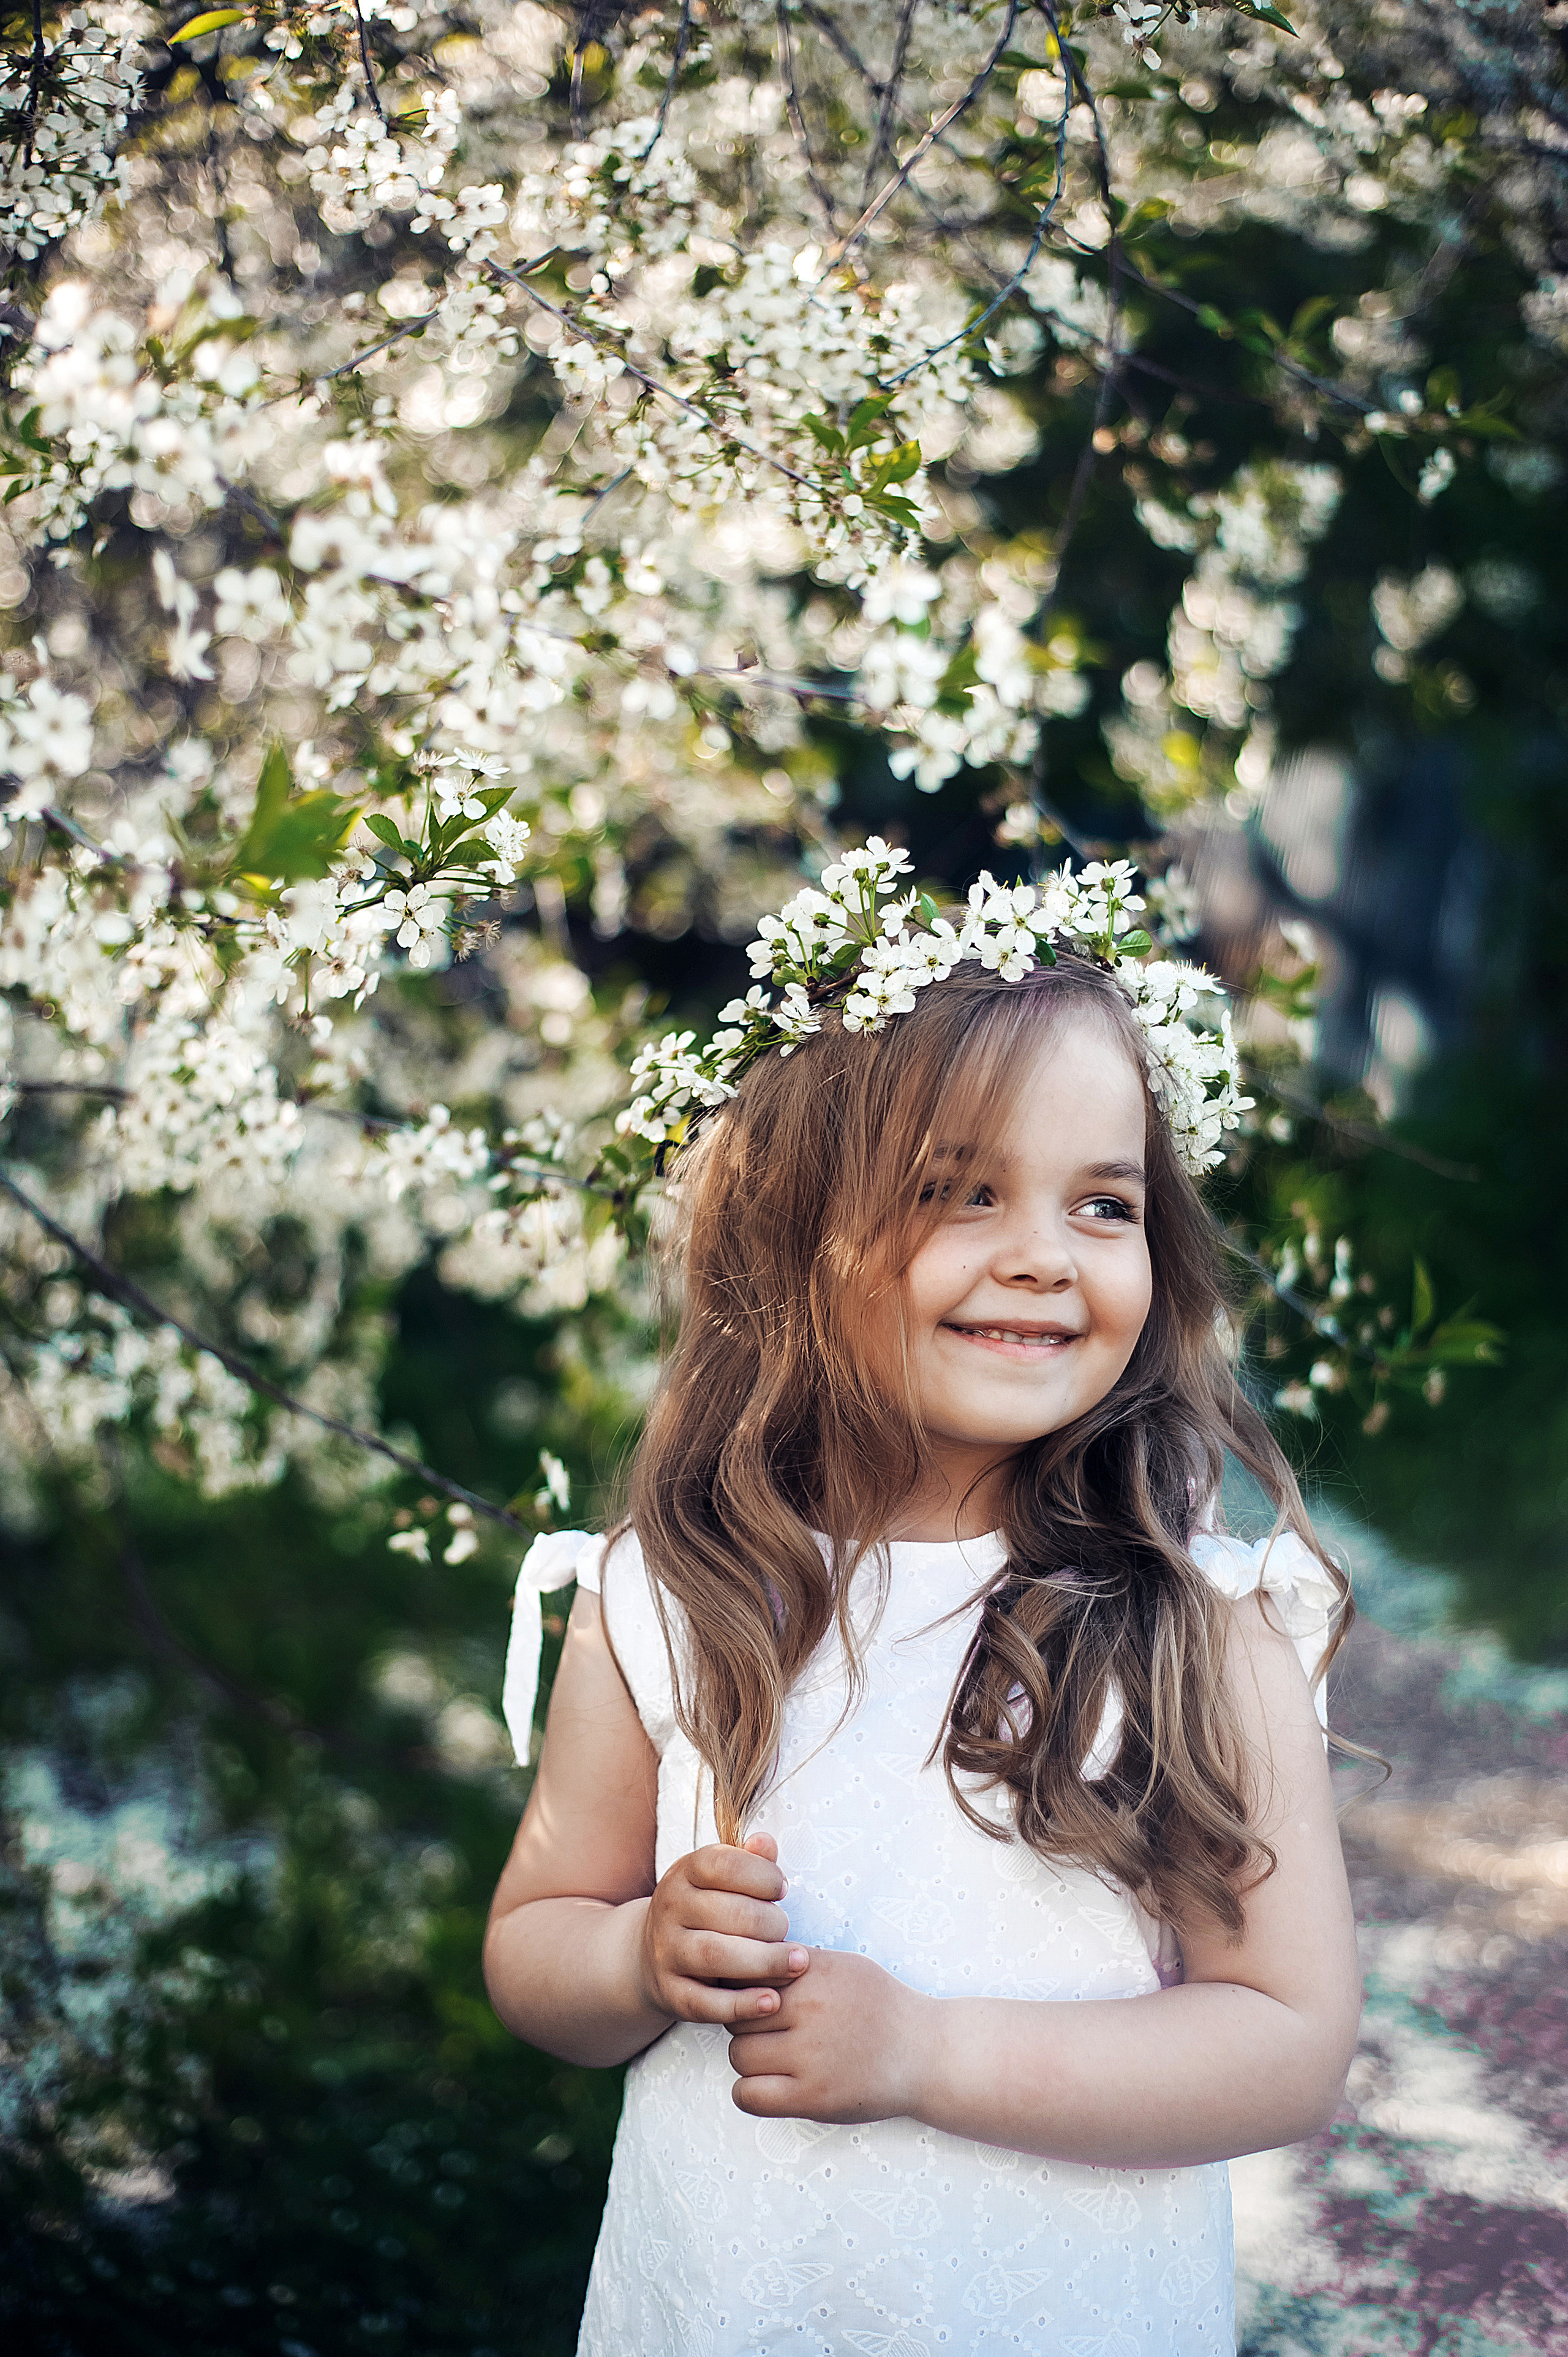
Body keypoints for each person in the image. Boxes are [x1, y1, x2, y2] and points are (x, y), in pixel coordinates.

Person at [483, 845, 1362, 2356]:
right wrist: (633, 1958)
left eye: (1102, 1204)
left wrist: (931, 2051)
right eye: (960, 1191)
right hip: (731, 2303)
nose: (1041, 1254)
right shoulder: (673, 1594)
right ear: (794, 1234)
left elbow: (1284, 2041)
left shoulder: (1196, 1626)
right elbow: (536, 1941)